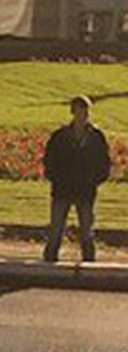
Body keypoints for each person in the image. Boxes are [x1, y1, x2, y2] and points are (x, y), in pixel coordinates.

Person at [42, 95, 112, 263]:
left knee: (87, 231)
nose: (83, 114)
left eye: (85, 110)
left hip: (86, 190)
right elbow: (49, 159)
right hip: (62, 189)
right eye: (79, 110)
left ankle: (89, 263)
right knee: (56, 229)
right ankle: (49, 263)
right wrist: (55, 178)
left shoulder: (96, 137)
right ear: (73, 112)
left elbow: (104, 162)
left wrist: (95, 180)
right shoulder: (60, 136)